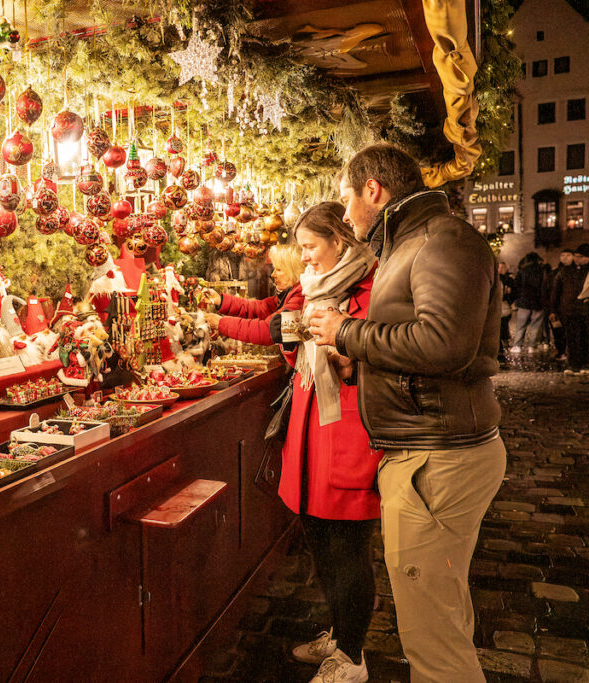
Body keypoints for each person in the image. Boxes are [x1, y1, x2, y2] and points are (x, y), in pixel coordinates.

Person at [309, 143, 506, 683]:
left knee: (431, 638)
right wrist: (360, 367)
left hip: (437, 456)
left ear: (374, 190)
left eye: (348, 199)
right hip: (428, 447)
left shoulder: (441, 241)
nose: (346, 215)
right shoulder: (417, 242)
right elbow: (421, 346)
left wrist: (346, 333)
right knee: (440, 611)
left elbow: (444, 343)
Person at [275, 203, 381, 683]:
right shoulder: (316, 289)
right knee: (321, 543)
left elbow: (386, 357)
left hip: (349, 437)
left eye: (310, 247)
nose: (304, 258)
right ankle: (339, 634)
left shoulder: (372, 287)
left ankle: (353, 656)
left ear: (340, 240)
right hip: (311, 437)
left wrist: (349, 360)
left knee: (349, 551)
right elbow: (276, 323)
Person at [200, 243, 304, 345]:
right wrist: (221, 301)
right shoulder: (288, 295)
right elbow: (259, 308)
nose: (273, 274)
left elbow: (266, 331)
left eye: (279, 270)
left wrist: (221, 324)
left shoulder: (298, 299)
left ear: (294, 271)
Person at [549, 247, 588, 374]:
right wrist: (553, 310)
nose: (576, 259)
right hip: (570, 311)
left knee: (584, 338)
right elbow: (556, 291)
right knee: (572, 339)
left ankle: (585, 364)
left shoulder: (585, 271)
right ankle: (574, 364)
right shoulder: (564, 271)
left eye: (579, 256)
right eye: (576, 256)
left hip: (584, 310)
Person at [510, 252, 548, 354]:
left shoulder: (522, 271)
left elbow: (516, 286)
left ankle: (517, 345)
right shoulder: (542, 271)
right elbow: (545, 286)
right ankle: (532, 346)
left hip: (524, 302)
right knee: (535, 326)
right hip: (538, 303)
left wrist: (517, 299)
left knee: (520, 325)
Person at [497, 261, 514, 361]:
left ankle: (501, 347)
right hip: (501, 306)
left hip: (504, 306)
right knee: (501, 326)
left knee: (502, 325)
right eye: (500, 267)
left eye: (503, 267)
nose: (501, 270)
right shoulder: (497, 279)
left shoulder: (508, 279)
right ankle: (501, 347)